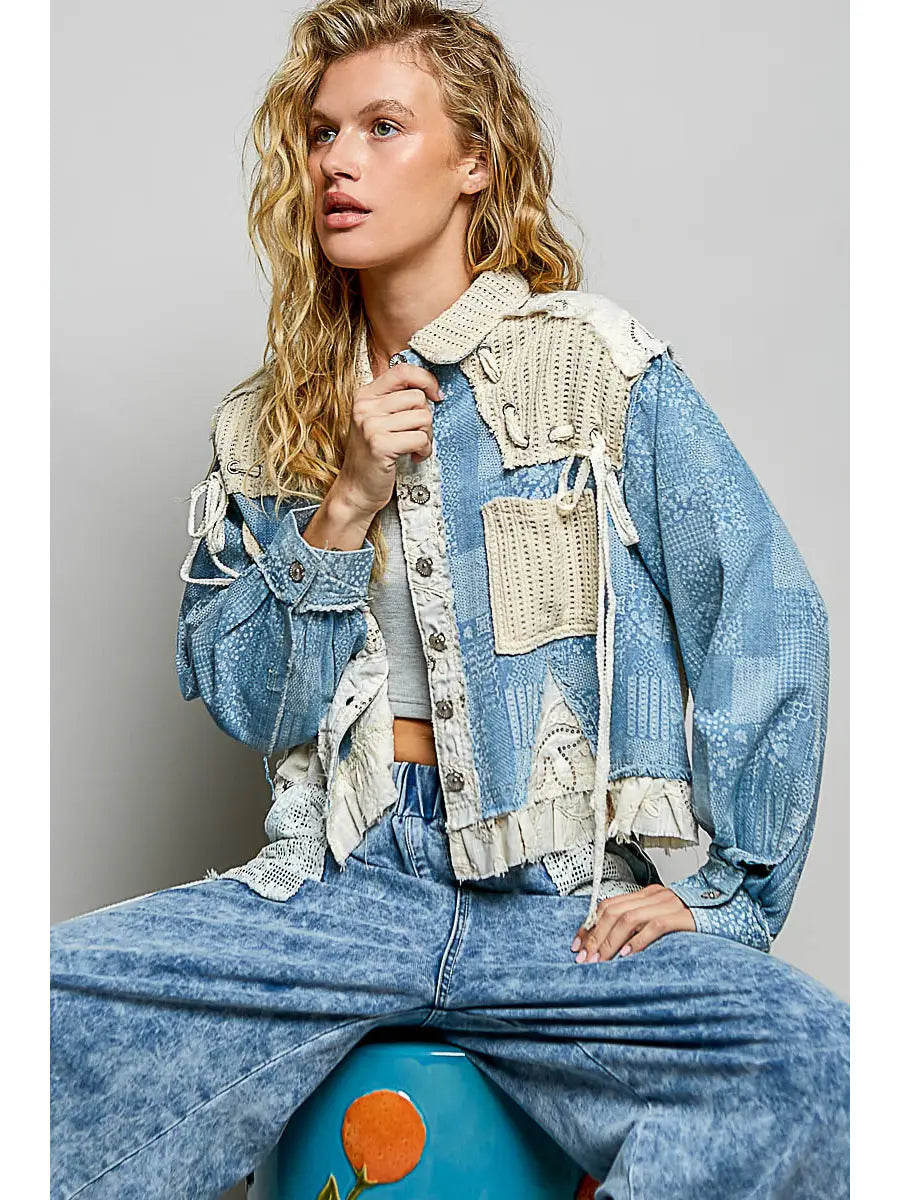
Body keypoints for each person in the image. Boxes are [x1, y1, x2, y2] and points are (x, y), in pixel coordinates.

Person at [50, 2, 850, 1197]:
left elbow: (767, 615)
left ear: (475, 158)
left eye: (384, 127)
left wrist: (727, 895)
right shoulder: (266, 427)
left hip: (559, 899)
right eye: (323, 133)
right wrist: (343, 503)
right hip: (340, 889)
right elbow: (254, 707)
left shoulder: (593, 363)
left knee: (819, 1065)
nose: (339, 162)